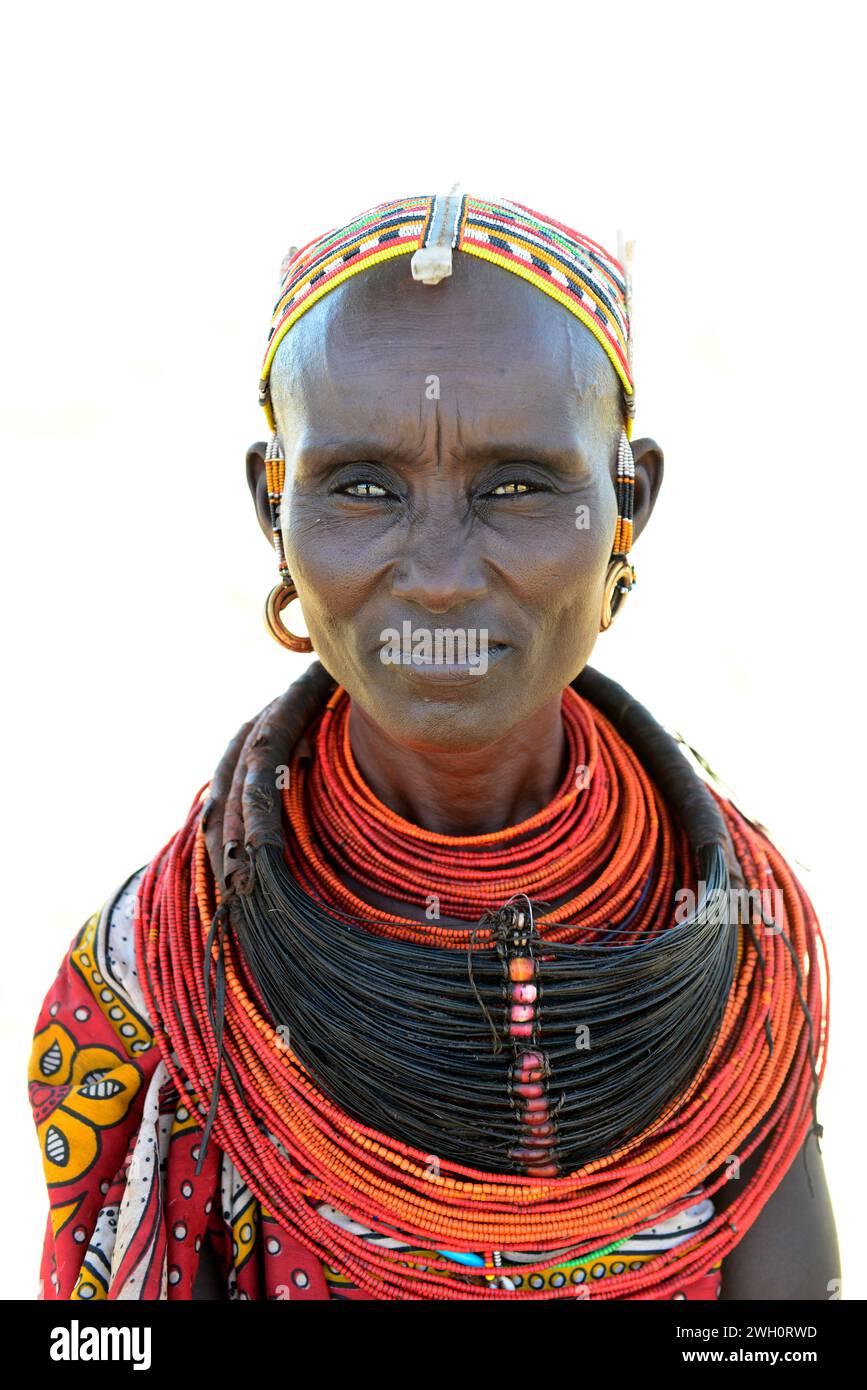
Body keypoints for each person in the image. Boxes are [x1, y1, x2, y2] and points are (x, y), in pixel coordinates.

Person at [29, 193, 839, 1301]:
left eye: (518, 485)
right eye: (362, 488)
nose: (444, 573)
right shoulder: (162, 983)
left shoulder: (746, 952)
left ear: (629, 505)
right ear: (274, 507)